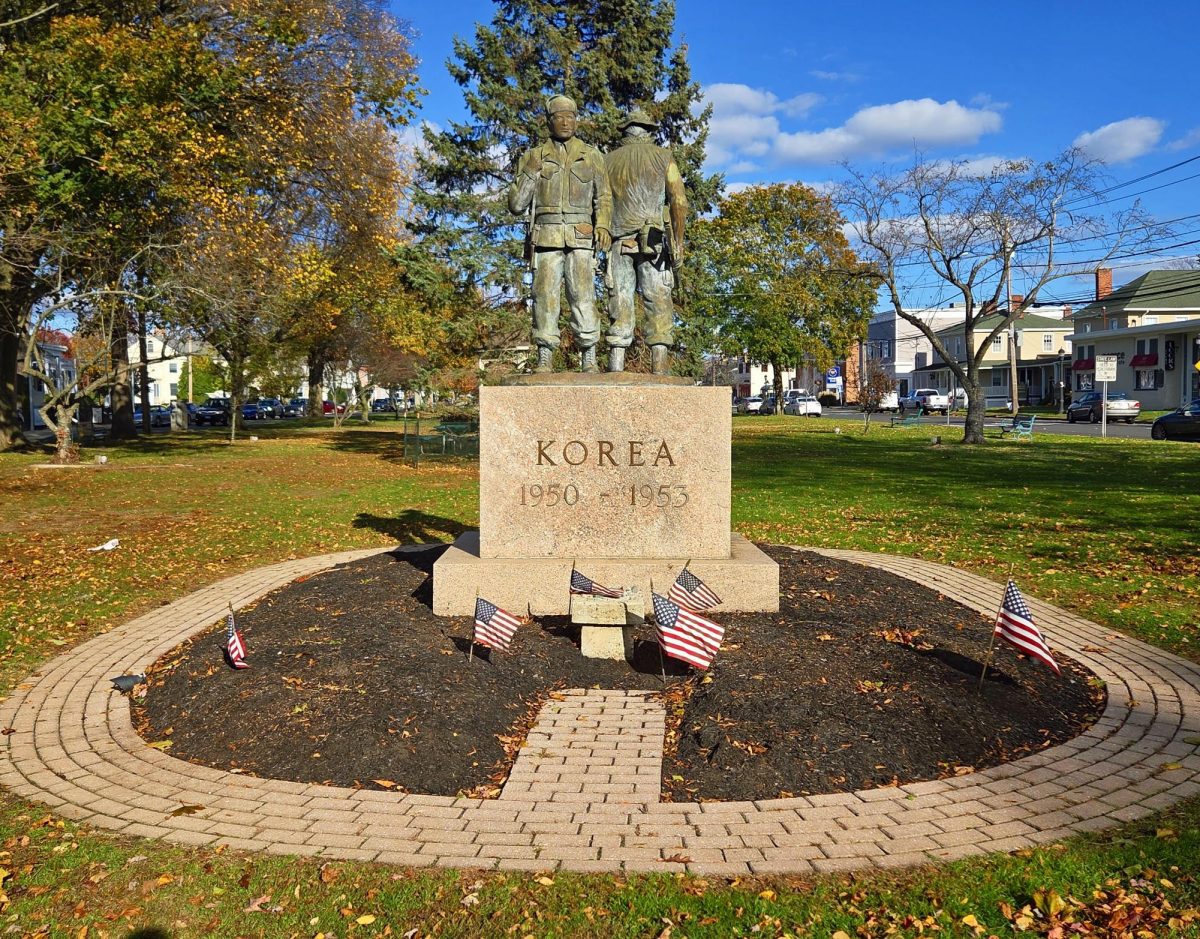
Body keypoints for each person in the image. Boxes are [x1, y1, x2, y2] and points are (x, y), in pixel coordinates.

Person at [509, 95, 612, 373]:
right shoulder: (533, 157)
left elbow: (603, 197)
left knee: (582, 295)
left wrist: (602, 225)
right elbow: (517, 205)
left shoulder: (592, 156)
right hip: (546, 238)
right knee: (544, 295)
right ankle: (545, 354)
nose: (566, 122)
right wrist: (530, 174)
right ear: (549, 121)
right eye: (560, 117)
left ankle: (588, 354)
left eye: (571, 117)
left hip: (581, 236)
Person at [604, 108, 687, 375]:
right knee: (659, 302)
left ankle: (615, 368)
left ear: (626, 131)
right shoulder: (664, 158)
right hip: (655, 243)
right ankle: (660, 368)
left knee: (620, 301)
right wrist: (678, 240)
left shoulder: (607, 161)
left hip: (619, 243)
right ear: (649, 131)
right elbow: (679, 201)